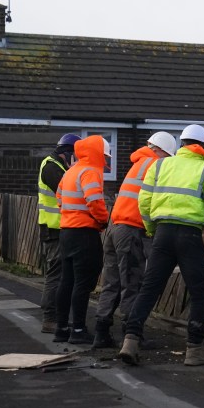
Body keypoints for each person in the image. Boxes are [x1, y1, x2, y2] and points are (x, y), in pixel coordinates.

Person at [119, 124, 204, 367]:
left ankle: (130, 342)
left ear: (182, 144)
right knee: (198, 292)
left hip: (163, 233)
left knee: (149, 288)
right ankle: (194, 350)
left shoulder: (159, 165)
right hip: (189, 235)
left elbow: (144, 200)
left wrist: (151, 229)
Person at [91, 132, 177, 349]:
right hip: (132, 230)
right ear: (164, 151)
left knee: (111, 282)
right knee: (132, 283)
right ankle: (131, 335)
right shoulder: (156, 165)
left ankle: (101, 332)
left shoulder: (139, 162)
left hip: (114, 228)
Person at [53, 135, 111, 344]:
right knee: (83, 284)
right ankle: (78, 329)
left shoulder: (71, 171)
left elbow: (59, 197)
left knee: (66, 281)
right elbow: (94, 201)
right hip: (84, 234)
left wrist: (69, 215)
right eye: (105, 156)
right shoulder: (90, 172)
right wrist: (103, 221)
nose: (105, 161)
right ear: (98, 153)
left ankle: (61, 329)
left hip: (67, 232)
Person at [37, 133, 81, 333]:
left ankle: (56, 318)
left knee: (61, 274)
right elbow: (67, 189)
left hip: (60, 228)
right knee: (55, 275)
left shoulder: (57, 165)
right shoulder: (51, 167)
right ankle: (50, 319)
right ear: (68, 153)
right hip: (53, 229)